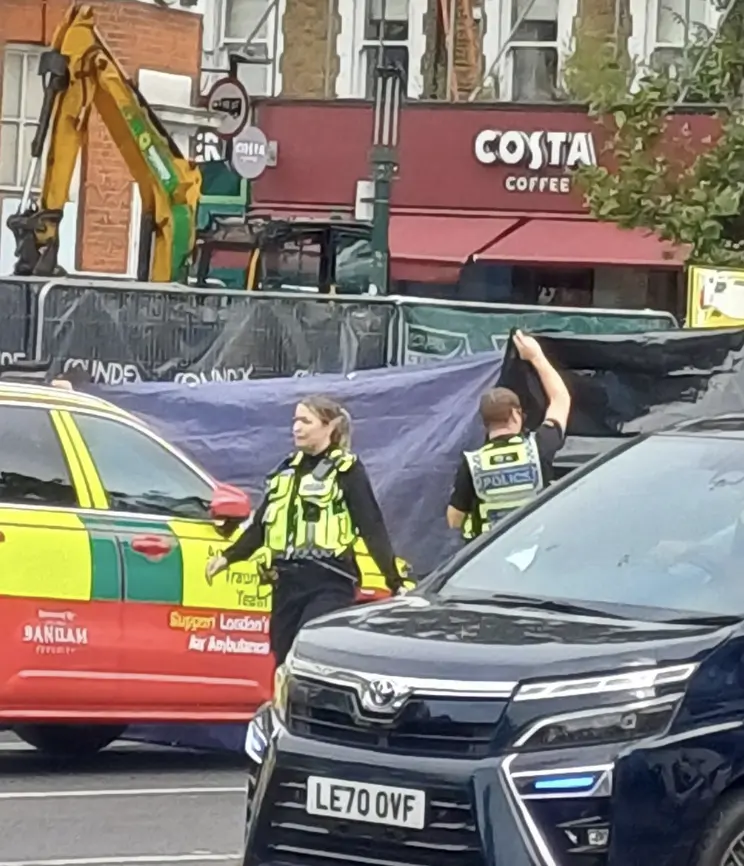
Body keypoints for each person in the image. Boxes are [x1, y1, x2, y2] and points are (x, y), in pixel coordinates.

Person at [205, 395, 404, 665]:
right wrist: (226, 558)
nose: (296, 428)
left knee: (310, 651)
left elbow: (371, 526)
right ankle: (287, 707)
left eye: (305, 421)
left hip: (329, 580)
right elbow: (261, 526)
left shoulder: (346, 470)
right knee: (283, 659)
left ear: (329, 428)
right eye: (295, 421)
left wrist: (394, 581)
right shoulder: (286, 471)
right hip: (286, 582)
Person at [447, 330, 571, 541]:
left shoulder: (472, 463)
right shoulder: (539, 447)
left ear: (484, 423)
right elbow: (561, 399)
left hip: (487, 555)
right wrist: (536, 356)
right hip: (534, 547)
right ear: (515, 415)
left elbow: (454, 520)